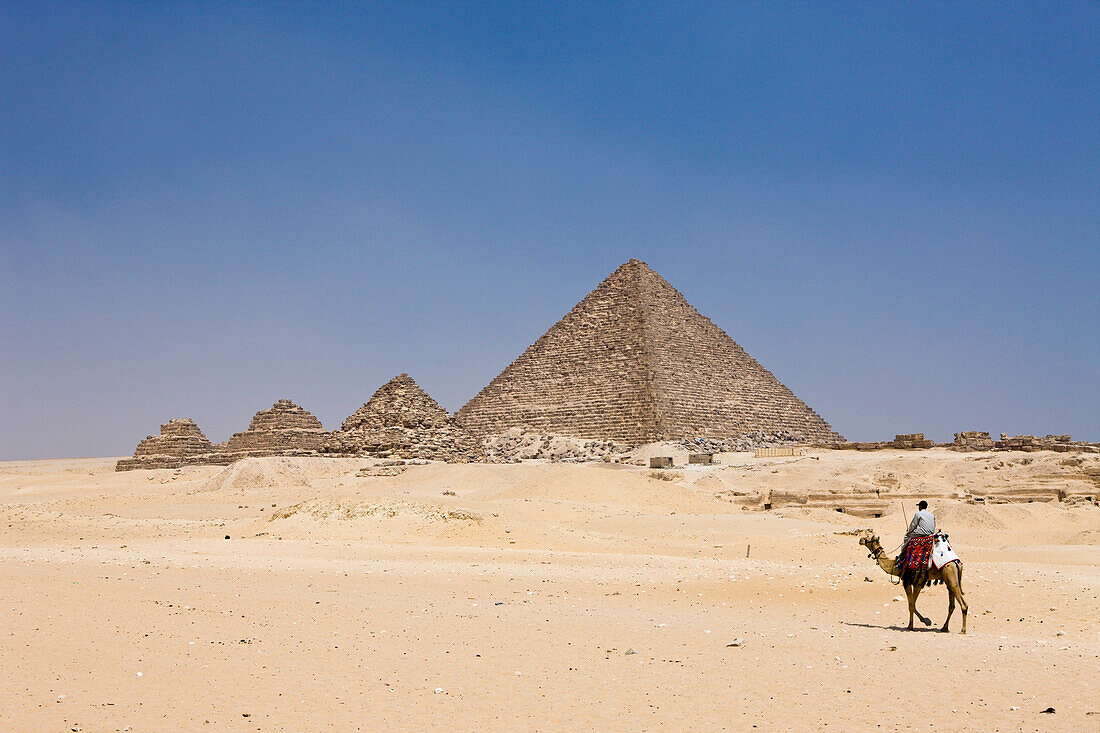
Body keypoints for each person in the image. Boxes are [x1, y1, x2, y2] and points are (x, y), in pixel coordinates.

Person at [898, 500, 936, 586]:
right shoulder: (932, 515)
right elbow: (933, 527)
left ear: (920, 507)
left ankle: (902, 558)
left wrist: (908, 532)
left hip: (920, 533)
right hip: (930, 534)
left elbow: (913, 525)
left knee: (907, 538)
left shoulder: (918, 514)